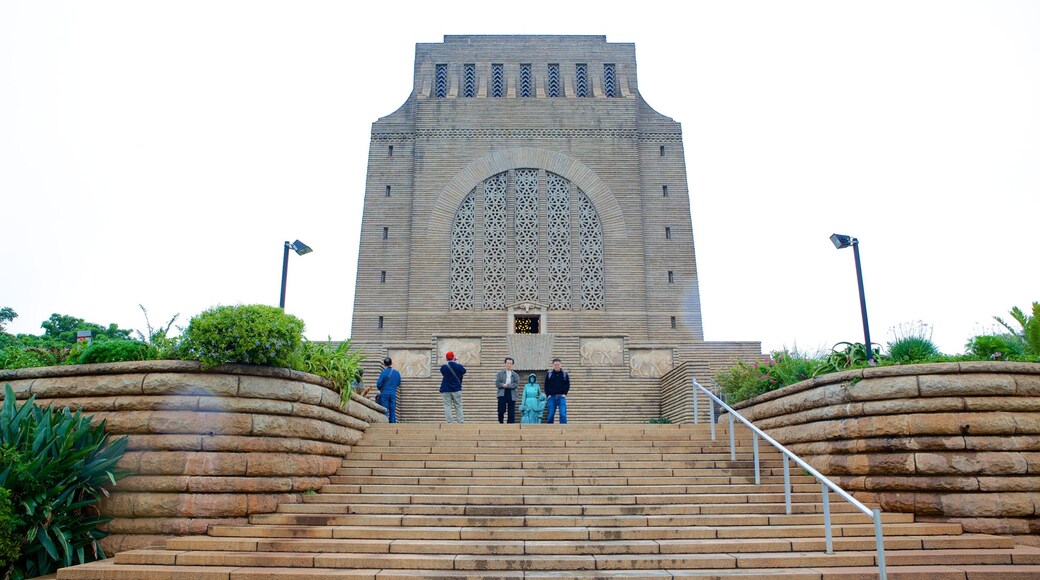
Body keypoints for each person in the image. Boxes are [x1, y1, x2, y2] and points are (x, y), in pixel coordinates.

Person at [439, 351, 466, 423]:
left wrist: (449, 361)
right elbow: (464, 371)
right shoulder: (458, 366)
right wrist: (457, 362)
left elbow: (442, 370)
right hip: (456, 389)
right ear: (454, 357)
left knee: (447, 406)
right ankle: (460, 421)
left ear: (446, 359)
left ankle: (450, 422)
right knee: (458, 406)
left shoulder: (444, 367)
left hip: (446, 389)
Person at [375, 357, 401, 423]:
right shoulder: (397, 373)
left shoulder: (383, 373)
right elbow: (399, 383)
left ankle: (385, 426)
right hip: (393, 394)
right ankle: (393, 427)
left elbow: (378, 385)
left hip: (384, 394)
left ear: (384, 364)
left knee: (385, 411)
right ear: (391, 363)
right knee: (392, 411)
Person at [544, 357, 570, 424]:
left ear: (560, 365)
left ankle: (564, 430)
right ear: (553, 365)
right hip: (551, 397)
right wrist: (548, 395)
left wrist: (565, 394)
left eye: (558, 364)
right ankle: (549, 431)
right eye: (555, 365)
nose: (556, 366)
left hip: (561, 397)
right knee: (550, 415)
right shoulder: (549, 374)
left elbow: (567, 385)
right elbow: (546, 385)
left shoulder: (564, 374)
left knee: (563, 414)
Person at [495, 357, 520, 424]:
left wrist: (507, 385)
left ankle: (510, 424)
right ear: (505, 364)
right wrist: (503, 385)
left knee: (511, 410)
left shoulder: (515, 375)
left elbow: (516, 384)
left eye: (510, 363)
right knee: (501, 410)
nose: (509, 365)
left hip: (511, 393)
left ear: (512, 364)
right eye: (508, 363)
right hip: (502, 392)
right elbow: (497, 383)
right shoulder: (500, 373)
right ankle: (501, 422)